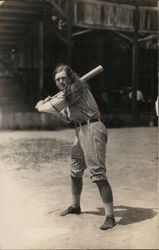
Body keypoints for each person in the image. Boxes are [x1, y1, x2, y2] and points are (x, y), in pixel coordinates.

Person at [35, 64, 115, 230]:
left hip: (93, 128)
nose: (61, 81)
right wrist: (51, 106)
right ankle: (76, 206)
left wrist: (42, 105)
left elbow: (47, 108)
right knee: (75, 170)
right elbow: (66, 118)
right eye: (58, 79)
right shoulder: (66, 95)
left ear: (70, 77)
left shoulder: (77, 88)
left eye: (64, 77)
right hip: (80, 129)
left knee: (98, 173)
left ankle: (110, 216)